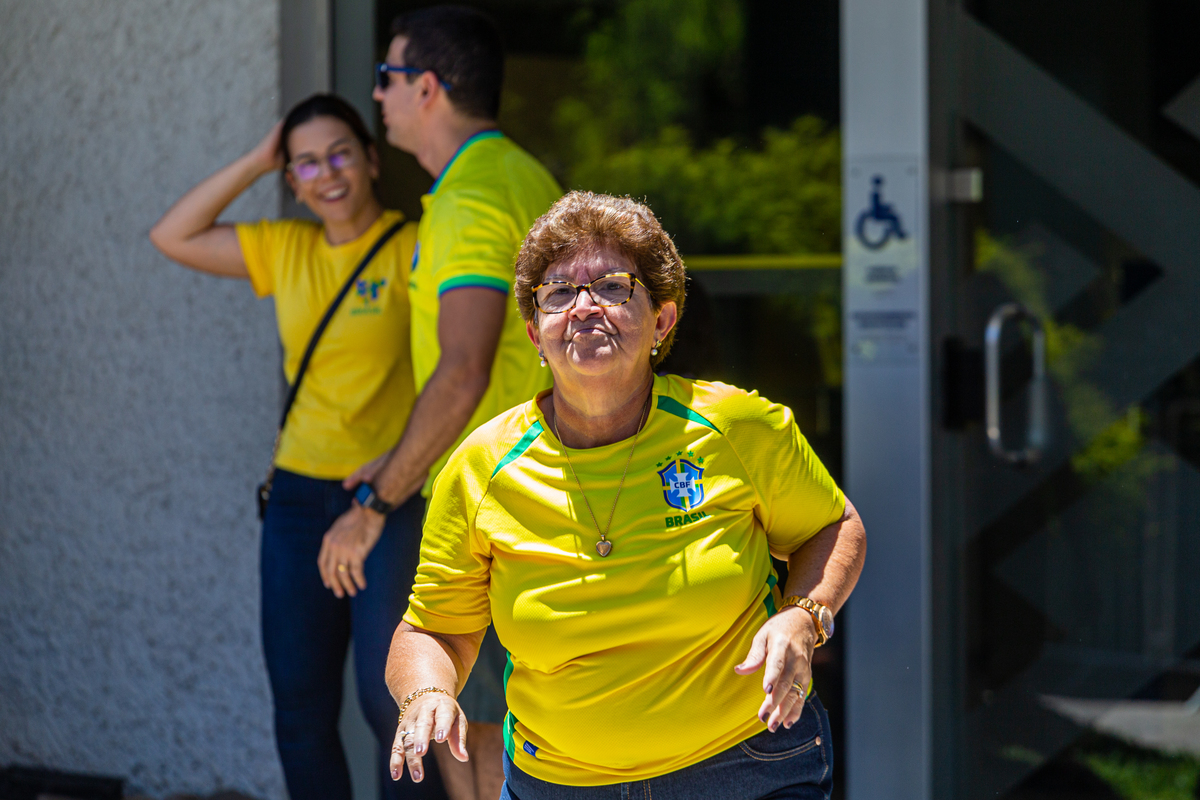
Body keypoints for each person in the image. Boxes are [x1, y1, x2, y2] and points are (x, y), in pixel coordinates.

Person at [384, 191, 868, 799]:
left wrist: (805, 615)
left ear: (662, 320)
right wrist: (427, 692)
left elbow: (834, 524)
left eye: (612, 287)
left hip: (744, 765)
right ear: (535, 332)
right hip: (558, 784)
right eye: (559, 294)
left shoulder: (736, 427)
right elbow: (433, 630)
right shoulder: (480, 468)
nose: (584, 308)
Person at [149, 94, 446, 800]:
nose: (327, 173)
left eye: (342, 152)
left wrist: (386, 491)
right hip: (293, 503)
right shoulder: (286, 250)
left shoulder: (416, 246)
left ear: (373, 159)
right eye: (305, 163)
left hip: (387, 499)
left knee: (396, 705)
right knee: (301, 710)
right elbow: (173, 234)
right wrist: (260, 156)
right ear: (290, 181)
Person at [320, 8, 561, 799]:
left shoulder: (468, 201)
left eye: (386, 79)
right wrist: (396, 461)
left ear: (426, 88)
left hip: (499, 506)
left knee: (480, 737)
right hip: (533, 491)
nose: (377, 97)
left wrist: (376, 502)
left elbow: (463, 371)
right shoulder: (519, 176)